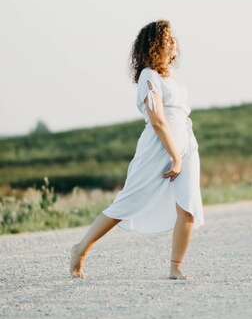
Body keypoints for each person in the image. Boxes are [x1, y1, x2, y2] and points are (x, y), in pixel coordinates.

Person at [69, 19, 204, 280]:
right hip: (158, 148)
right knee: (129, 200)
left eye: (173, 38)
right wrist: (174, 156)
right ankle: (81, 249)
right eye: (167, 39)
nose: (173, 43)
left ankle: (175, 267)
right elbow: (157, 120)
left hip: (186, 142)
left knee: (188, 206)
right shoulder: (148, 76)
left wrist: (182, 152)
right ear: (154, 45)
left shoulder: (171, 76)